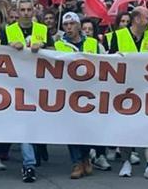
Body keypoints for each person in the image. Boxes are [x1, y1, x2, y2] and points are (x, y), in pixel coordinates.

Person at [106, 6, 148, 180]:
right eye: (147, 17)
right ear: (137, 19)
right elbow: (109, 61)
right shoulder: (117, 36)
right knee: (125, 127)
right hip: (124, 91)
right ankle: (126, 161)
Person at [54, 12, 98, 179]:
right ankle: (77, 162)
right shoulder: (58, 45)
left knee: (87, 127)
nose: (69, 27)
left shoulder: (93, 43)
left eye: (72, 24)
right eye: (66, 25)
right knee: (71, 128)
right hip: (68, 92)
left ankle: (86, 157)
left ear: (79, 25)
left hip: (90, 91)